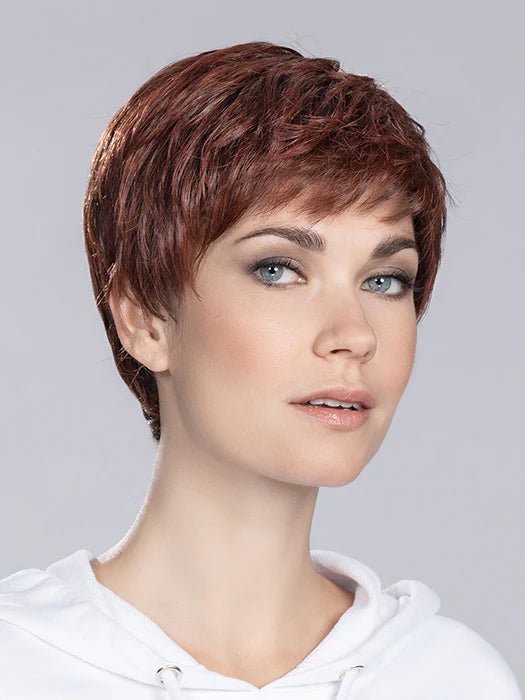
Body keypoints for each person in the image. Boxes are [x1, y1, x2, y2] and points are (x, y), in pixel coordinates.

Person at [0, 41, 521, 700]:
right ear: (145, 319)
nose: (355, 335)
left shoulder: (454, 680)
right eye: (278, 270)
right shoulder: (19, 665)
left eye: (385, 280)